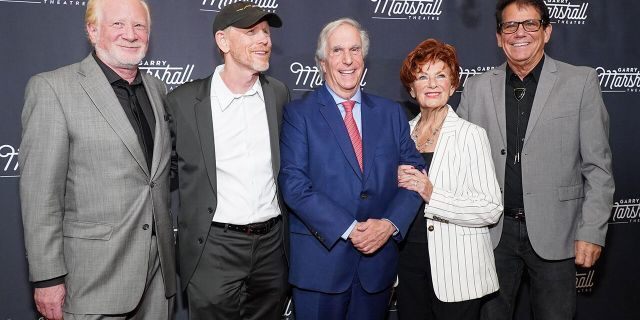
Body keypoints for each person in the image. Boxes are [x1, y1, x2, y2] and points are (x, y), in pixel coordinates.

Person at [19, 0, 176, 319]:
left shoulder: (159, 89)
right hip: (91, 280)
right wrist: (48, 277)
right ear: (92, 30)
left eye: (139, 26)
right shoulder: (53, 88)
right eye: (118, 24)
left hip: (157, 280)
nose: (131, 34)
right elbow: (40, 196)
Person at [457, 0, 615, 319]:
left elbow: (598, 169)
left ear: (546, 32)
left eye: (530, 24)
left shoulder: (580, 83)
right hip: (493, 235)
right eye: (510, 26)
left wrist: (591, 231)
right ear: (499, 37)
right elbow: (458, 159)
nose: (520, 33)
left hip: (558, 232)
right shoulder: (475, 88)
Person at [278, 18, 424, 320]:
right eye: (337, 51)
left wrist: (389, 224)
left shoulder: (390, 113)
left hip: (376, 269)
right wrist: (349, 229)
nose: (348, 59)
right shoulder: (298, 114)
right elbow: (293, 184)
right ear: (321, 61)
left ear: (363, 58)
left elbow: (414, 177)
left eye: (355, 50)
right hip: (320, 267)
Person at [165, 2, 289, 319]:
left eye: (265, 32)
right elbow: (164, 176)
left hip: (272, 248)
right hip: (213, 247)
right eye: (251, 32)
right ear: (223, 41)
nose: (264, 40)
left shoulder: (279, 94)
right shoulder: (183, 102)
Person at [395, 38, 503, 320]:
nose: (432, 84)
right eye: (422, 76)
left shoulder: (471, 135)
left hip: (457, 268)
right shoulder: (399, 134)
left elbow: (490, 207)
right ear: (411, 88)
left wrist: (433, 194)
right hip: (407, 262)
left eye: (441, 75)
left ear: (453, 85)